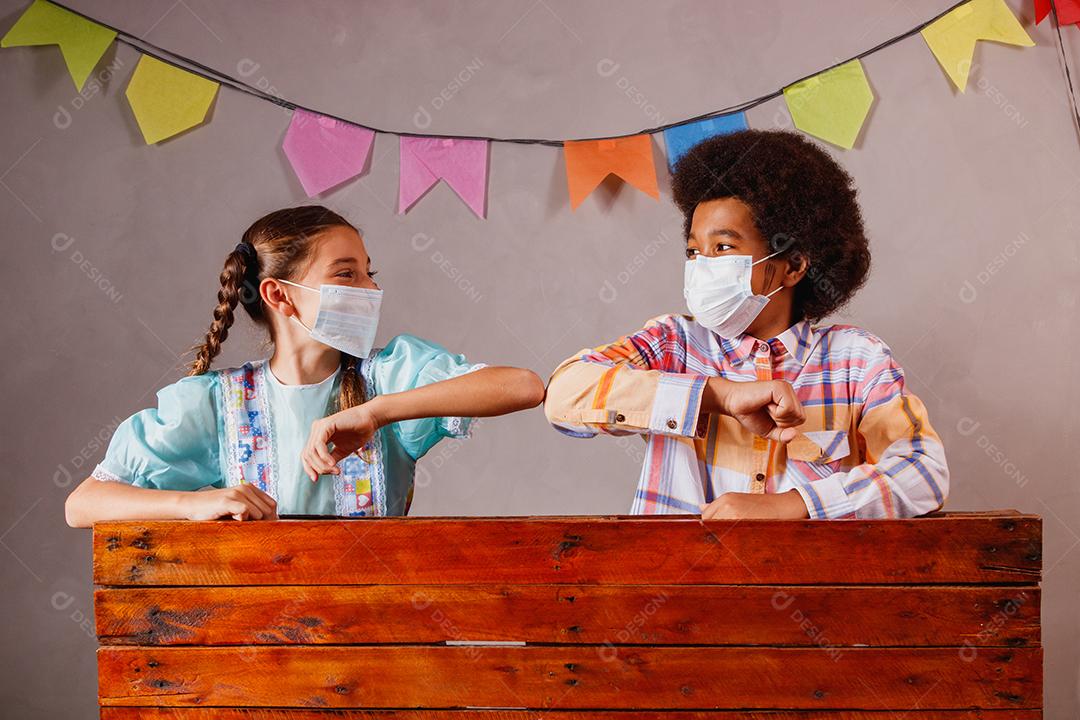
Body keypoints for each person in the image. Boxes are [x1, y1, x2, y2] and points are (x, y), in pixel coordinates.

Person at [544, 129, 948, 520]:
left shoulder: (856, 361)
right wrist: (716, 395)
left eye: (723, 247)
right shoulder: (673, 344)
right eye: (693, 251)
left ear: (791, 266)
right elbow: (564, 395)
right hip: (678, 586)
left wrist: (797, 505)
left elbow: (924, 472)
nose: (702, 265)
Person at [65, 206, 544, 526]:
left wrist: (376, 413)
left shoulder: (390, 377)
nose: (370, 290)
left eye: (368, 272)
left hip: (387, 638)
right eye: (346, 274)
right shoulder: (215, 403)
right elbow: (82, 504)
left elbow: (523, 386)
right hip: (264, 648)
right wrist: (193, 504)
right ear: (279, 294)